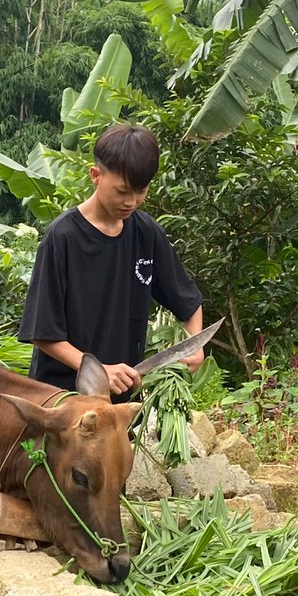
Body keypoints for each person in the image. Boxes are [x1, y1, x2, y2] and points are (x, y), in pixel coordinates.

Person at [18, 122, 204, 396]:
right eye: (122, 191)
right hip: (62, 402)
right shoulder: (63, 236)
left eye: (141, 191)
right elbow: (43, 333)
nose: (132, 201)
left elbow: (188, 303)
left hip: (119, 401)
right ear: (95, 175)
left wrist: (194, 344)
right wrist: (100, 369)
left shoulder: (146, 233)